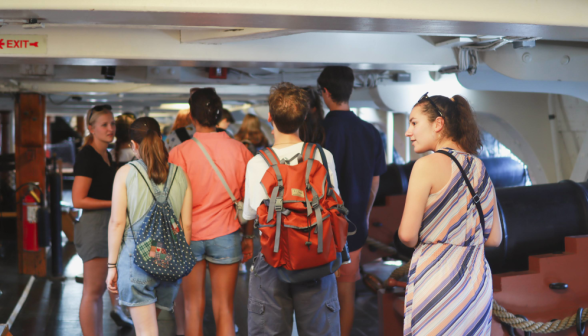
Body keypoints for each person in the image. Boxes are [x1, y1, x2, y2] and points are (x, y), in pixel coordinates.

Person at [398, 93, 502, 335]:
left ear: (438, 124)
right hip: (477, 282)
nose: (408, 132)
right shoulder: (480, 167)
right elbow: (495, 238)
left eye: (414, 123)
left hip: (438, 280)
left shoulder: (425, 166)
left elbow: (406, 235)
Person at [242, 82, 341, 335]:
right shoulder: (322, 156)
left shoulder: (257, 163)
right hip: (316, 253)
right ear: (304, 117)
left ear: (270, 117)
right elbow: (336, 204)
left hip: (273, 257)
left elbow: (250, 214)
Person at [169, 88, 254, 336]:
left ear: (192, 118)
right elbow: (249, 204)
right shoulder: (241, 151)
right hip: (227, 235)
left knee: (192, 307)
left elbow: (172, 203)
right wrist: (248, 237)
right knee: (225, 309)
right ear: (218, 116)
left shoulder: (179, 153)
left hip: (189, 236)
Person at [106, 117, 192, 336]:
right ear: (160, 139)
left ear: (133, 144)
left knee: (146, 331)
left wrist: (111, 266)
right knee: (151, 326)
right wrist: (179, 262)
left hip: (137, 260)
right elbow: (186, 226)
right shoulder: (180, 174)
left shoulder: (125, 173)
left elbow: (117, 223)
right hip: (169, 260)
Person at [318, 66, 387, 336]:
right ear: (350, 91)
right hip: (355, 225)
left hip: (320, 226)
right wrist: (365, 214)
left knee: (317, 293)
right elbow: (374, 182)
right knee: (346, 291)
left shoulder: (318, 132)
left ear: (325, 92)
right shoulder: (370, 132)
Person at [72, 105, 132, 335]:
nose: (110, 128)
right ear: (91, 128)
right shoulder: (87, 156)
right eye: (104, 125)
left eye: (112, 124)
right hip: (95, 227)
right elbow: (78, 199)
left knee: (101, 290)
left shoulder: (107, 154)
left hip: (107, 226)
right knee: (93, 291)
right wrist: (114, 204)